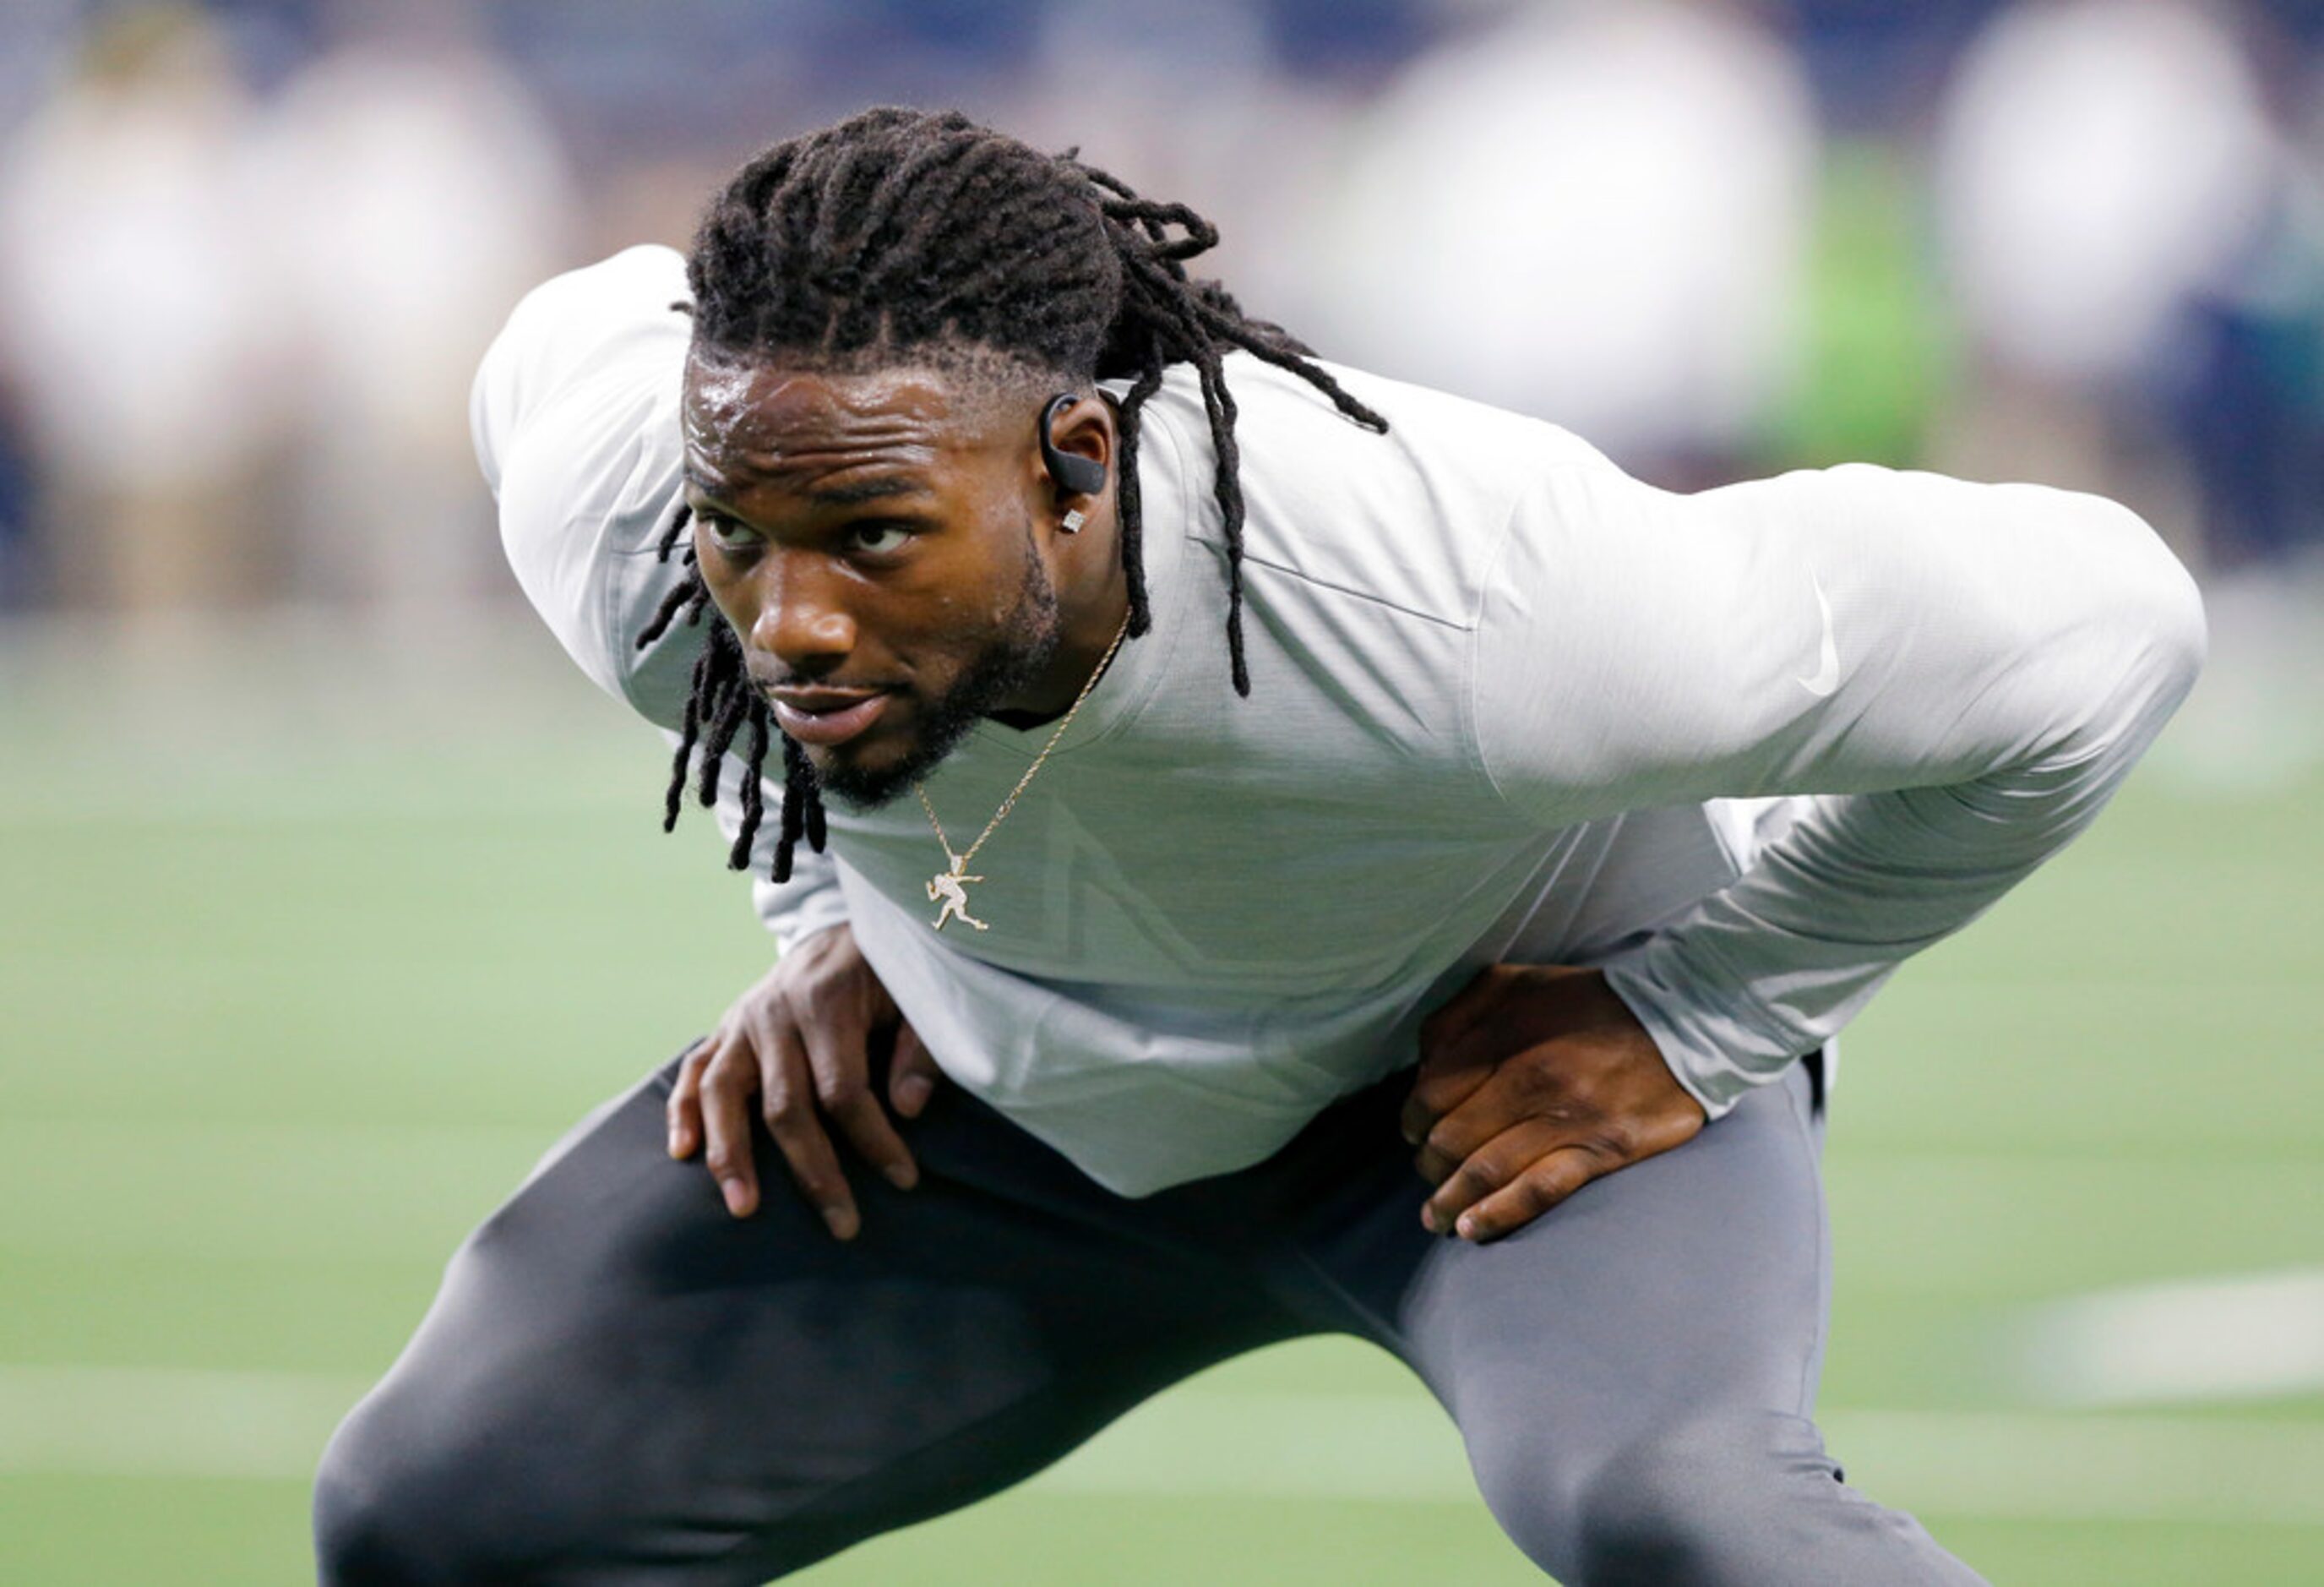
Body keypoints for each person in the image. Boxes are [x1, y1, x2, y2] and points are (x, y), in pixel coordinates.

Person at [313, 108, 2204, 1584]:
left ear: (1071, 463)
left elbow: (2105, 625)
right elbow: (560, 347)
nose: (785, 618)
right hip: (1010, 1103)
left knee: (1670, 1511)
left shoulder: (1481, 609)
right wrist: (826, 909)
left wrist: (1704, 1015)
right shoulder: (655, 522)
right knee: (453, 1507)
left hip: (1482, 1090)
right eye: (745, 530)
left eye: (874, 536)